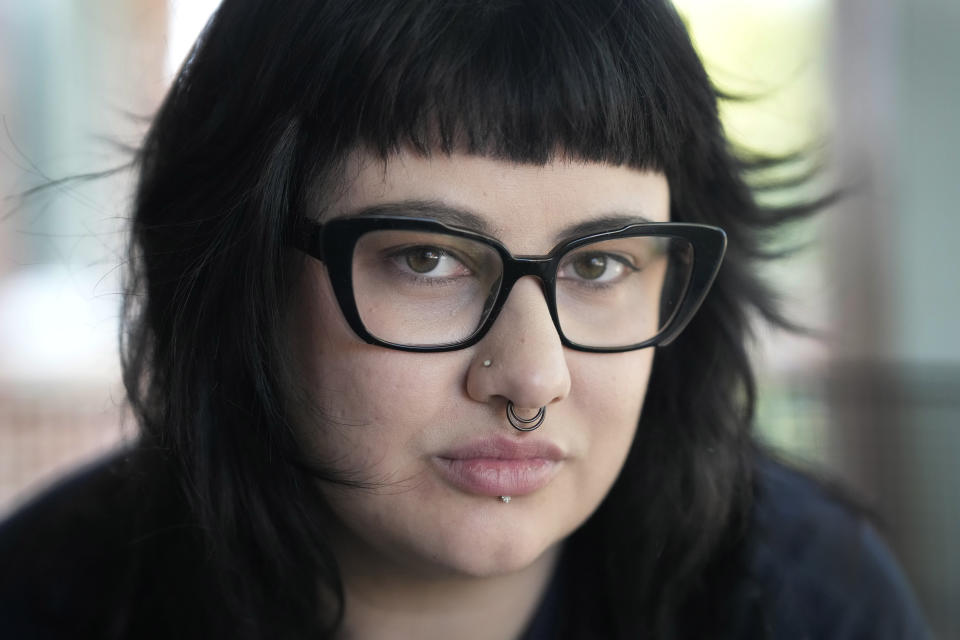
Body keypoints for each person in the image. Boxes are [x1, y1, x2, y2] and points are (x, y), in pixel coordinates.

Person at [0, 1, 932, 638]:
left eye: (601, 264)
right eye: (426, 258)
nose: (532, 378)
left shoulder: (809, 601)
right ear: (242, 275)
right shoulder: (48, 599)